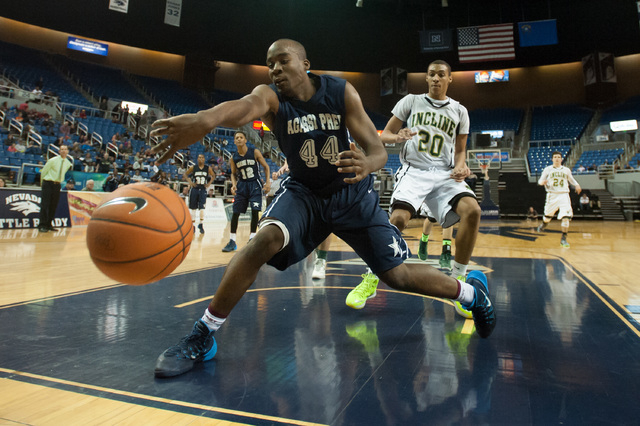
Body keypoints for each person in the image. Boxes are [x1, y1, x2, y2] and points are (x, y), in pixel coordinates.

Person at [149, 39, 495, 378]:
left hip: (351, 195)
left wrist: (367, 164)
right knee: (262, 241)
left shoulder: (340, 91)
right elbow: (242, 109)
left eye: (283, 60)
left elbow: (376, 150)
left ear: (306, 64)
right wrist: (205, 119)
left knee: (397, 276)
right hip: (305, 193)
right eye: (271, 63)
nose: (275, 68)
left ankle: (470, 294)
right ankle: (203, 334)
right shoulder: (271, 96)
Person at [346, 59, 480, 320]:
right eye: (431, 74)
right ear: (426, 78)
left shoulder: (460, 110)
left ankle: (459, 282)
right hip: (414, 171)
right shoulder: (410, 101)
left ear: (449, 79)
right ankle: (371, 278)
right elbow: (383, 134)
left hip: (444, 174)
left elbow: (461, 150)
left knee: (472, 211)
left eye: (441, 74)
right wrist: (397, 137)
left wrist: (462, 166)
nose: (436, 79)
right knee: (397, 220)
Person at [221, 130, 271, 252]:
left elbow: (266, 167)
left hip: (255, 184)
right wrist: (233, 185)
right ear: (234, 141)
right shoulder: (234, 158)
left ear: (245, 140)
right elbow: (233, 174)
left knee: (255, 211)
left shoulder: (254, 152)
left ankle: (252, 239)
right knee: (236, 213)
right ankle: (232, 241)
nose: (238, 139)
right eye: (236, 137)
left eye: (241, 137)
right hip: (242, 185)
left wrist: (268, 182)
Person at [536, 151, 581, 247]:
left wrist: (576, 184)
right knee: (548, 216)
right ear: (552, 159)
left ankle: (563, 239)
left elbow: (571, 179)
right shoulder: (548, 169)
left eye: (558, 157)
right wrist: (542, 182)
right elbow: (540, 180)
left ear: (561, 159)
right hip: (552, 195)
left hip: (564, 195)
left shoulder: (566, 170)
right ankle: (544, 224)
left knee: (566, 217)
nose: (557, 158)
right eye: (555, 157)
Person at [38, 145, 72, 232]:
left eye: (65, 149)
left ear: (67, 151)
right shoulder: (52, 160)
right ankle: (42, 225)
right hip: (48, 183)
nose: (64, 151)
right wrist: (42, 184)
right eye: (62, 149)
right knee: (45, 204)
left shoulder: (68, 163)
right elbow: (44, 172)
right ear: (59, 151)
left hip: (57, 185)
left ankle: (49, 224)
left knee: (53, 205)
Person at [417, 203, 454, 270]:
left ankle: (446, 254)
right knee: (432, 218)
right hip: (433, 194)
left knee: (448, 217)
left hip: (448, 194)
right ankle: (423, 241)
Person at [184, 153, 214, 234]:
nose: (200, 159)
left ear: (204, 159)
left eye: (202, 157)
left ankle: (201, 224)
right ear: (197, 159)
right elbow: (185, 174)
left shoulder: (208, 168)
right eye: (199, 157)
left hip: (203, 189)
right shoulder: (193, 167)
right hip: (194, 189)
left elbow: (213, 176)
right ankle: (193, 225)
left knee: (202, 209)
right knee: (193, 208)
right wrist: (190, 182)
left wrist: (209, 183)